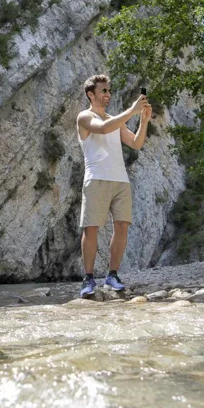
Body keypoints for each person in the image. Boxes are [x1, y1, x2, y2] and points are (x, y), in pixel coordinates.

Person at [76, 75, 152, 298]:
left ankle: (112, 275)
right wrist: (131, 110)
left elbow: (136, 143)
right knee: (91, 228)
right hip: (96, 178)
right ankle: (88, 278)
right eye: (103, 91)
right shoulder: (85, 116)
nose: (108, 94)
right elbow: (102, 128)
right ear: (91, 94)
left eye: (109, 90)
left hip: (120, 180)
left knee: (122, 226)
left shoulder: (115, 120)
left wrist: (144, 120)